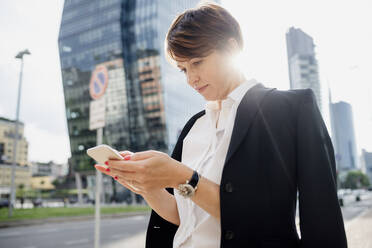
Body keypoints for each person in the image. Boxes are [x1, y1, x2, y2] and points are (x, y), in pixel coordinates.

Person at [94, 2, 347, 248]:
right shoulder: (193, 126)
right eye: (183, 69)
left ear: (230, 48)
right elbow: (187, 219)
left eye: (197, 62)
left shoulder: (291, 110)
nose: (191, 79)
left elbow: (311, 223)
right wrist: (148, 188)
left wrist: (183, 177)